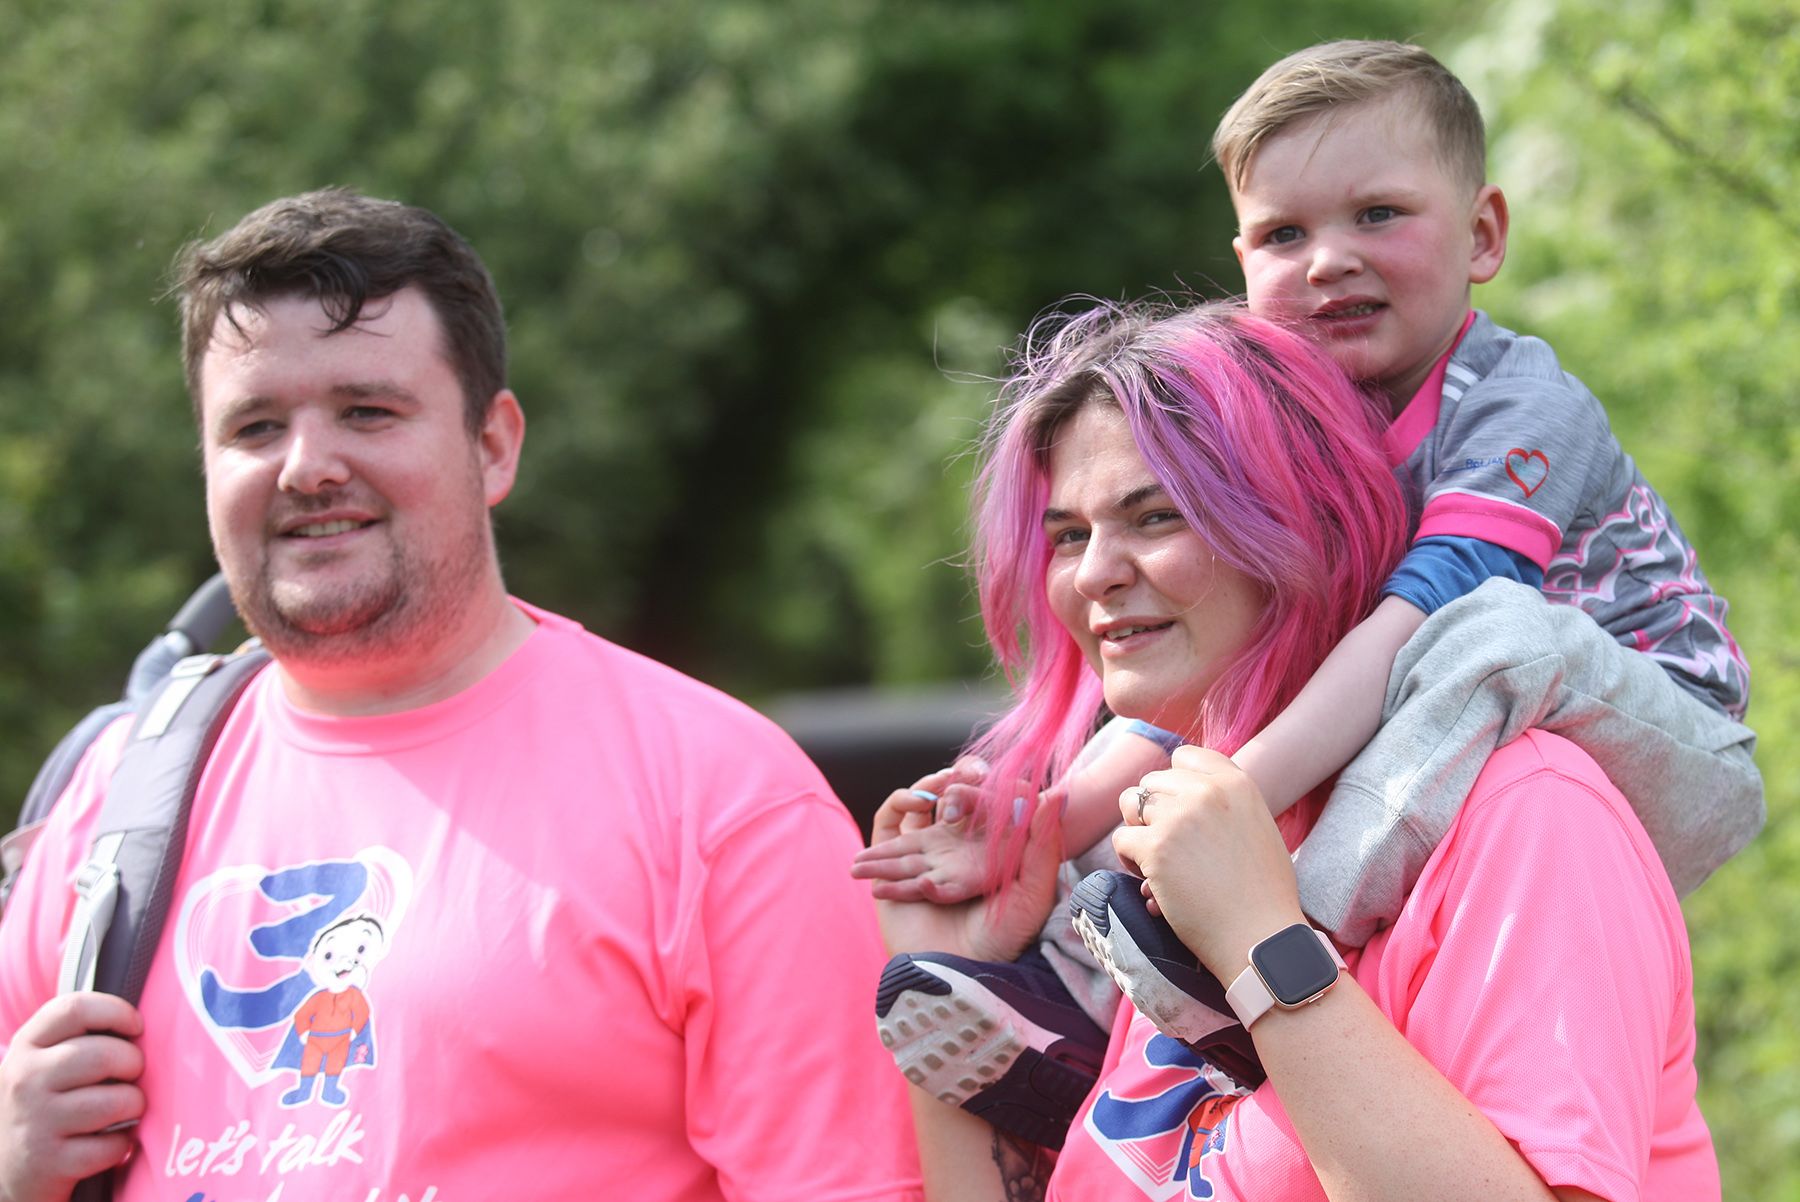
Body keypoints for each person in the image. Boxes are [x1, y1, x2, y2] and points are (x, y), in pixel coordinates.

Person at [857, 38, 1760, 1142]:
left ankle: (1275, 937)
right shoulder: (1310, 430)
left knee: (1485, 632)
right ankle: (1072, 1018)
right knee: (1200, 736)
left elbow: (1413, 633)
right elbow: (1233, 670)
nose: (1329, 259)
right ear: (1240, 261)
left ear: (1484, 235)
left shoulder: (1523, 408)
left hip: (1665, 727)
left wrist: (1217, 828)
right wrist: (1032, 825)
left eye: (1378, 214)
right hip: (1447, 700)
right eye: (1286, 234)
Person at [0, 189, 922, 1202]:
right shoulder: (114, 801)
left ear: (493, 444)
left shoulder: (723, 799)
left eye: (368, 410)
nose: (308, 465)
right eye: (256, 426)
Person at [875, 298, 1718, 1200]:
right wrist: (966, 975)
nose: (1094, 573)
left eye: (1155, 517)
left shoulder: (1528, 813)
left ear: (1308, 521)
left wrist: (1260, 946)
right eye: (1070, 536)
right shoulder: (1178, 838)